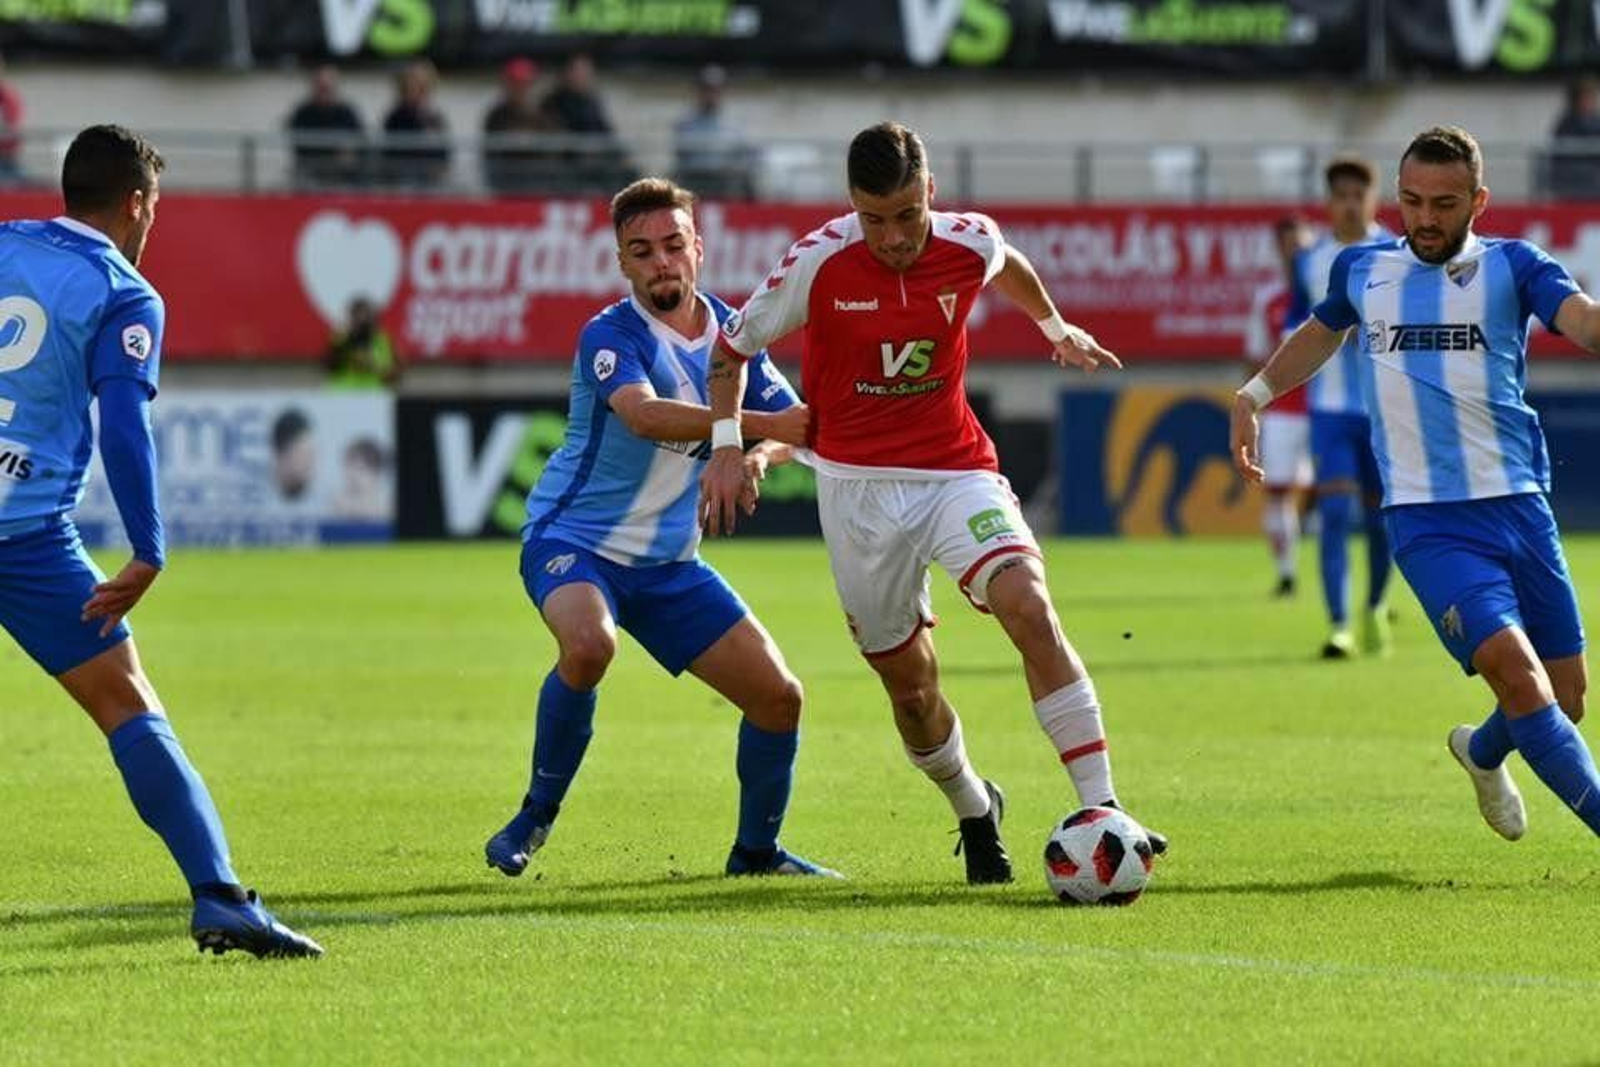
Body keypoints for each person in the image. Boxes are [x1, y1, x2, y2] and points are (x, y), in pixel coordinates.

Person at [700, 122, 1166, 885]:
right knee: (912, 691)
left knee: (1029, 604)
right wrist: (726, 445)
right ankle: (976, 806)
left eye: (908, 215)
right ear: (853, 205)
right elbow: (729, 353)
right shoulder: (817, 263)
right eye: (874, 218)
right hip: (856, 491)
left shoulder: (967, 242)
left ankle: (1105, 809)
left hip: (955, 470)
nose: (891, 237)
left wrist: (1054, 326)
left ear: (932, 195)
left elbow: (1007, 263)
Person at [0, 125, 321, 957]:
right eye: (155, 208)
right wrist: (147, 545)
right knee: (129, 704)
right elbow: (125, 425)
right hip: (25, 537)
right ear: (137, 203)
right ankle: (219, 897)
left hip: (28, 535)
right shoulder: (122, 289)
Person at [1232, 124, 1600, 845]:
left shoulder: (1516, 266)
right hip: (1428, 521)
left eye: (1444, 203)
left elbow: (1584, 323)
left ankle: (1482, 750)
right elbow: (1322, 329)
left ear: (1479, 201)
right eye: (1412, 201)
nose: (1425, 218)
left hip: (1520, 505)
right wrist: (1253, 394)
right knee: (1521, 681)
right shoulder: (1363, 267)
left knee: (1566, 696)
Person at [483, 177, 838, 880]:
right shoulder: (610, 334)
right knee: (588, 646)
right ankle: (534, 817)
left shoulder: (735, 336)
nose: (661, 263)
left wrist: (754, 455)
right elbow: (644, 415)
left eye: (673, 246)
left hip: (670, 564)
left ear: (698, 250)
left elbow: (795, 430)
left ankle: (756, 854)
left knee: (779, 697)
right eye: (641, 251)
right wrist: (744, 434)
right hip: (573, 540)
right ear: (623, 263)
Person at [1289, 156, 1394, 659]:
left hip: (1385, 410)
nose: (1350, 205)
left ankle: (1374, 606)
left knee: (1381, 521)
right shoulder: (1310, 261)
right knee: (1333, 513)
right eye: (1341, 196)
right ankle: (1338, 625)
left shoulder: (1396, 253)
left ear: (1372, 201)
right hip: (1329, 409)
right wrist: (1323, 333)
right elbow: (1292, 325)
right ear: (1328, 203)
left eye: (1359, 195)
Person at [1244, 214, 1314, 597]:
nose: (1295, 253)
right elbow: (1256, 357)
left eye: (1300, 245)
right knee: (1279, 492)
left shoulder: (1324, 293)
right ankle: (1287, 573)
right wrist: (1255, 404)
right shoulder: (1268, 300)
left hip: (1328, 410)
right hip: (1285, 411)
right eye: (1288, 246)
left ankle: (1376, 593)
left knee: (1356, 492)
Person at [674, 64, 753, 200]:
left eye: (716, 89)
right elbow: (681, 156)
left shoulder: (734, 122)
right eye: (706, 88)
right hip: (695, 179)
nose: (711, 94)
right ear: (698, 90)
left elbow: (743, 152)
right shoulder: (685, 122)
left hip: (724, 180)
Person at [481, 56, 557, 196]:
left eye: (525, 84)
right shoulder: (496, 115)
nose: (520, 89)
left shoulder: (543, 114)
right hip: (506, 186)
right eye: (515, 84)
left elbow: (553, 149)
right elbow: (492, 149)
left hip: (539, 186)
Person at [285, 65, 366, 188]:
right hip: (310, 172)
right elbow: (298, 144)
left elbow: (360, 142)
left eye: (327, 86)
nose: (324, 89)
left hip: (343, 173)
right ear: (314, 86)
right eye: (320, 85)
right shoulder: (303, 112)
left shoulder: (347, 112)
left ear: (335, 86)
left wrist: (348, 152)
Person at [381, 60, 450, 188]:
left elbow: (444, 153)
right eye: (413, 84)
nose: (417, 89)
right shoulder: (396, 116)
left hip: (429, 182)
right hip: (401, 181)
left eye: (422, 85)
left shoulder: (434, 116)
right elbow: (392, 152)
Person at [325, 295, 399, 389]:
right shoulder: (341, 337)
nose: (361, 321)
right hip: (343, 393)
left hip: (372, 394)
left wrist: (372, 366)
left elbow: (393, 376)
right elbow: (329, 367)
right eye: (357, 316)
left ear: (374, 318)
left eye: (366, 316)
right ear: (351, 317)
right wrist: (345, 350)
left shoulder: (383, 340)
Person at [1548, 77, 1600, 201]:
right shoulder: (1565, 126)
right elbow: (1561, 160)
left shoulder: (1597, 123)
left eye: (1590, 98)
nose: (1588, 102)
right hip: (1572, 190)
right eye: (1584, 98)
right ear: (1575, 100)